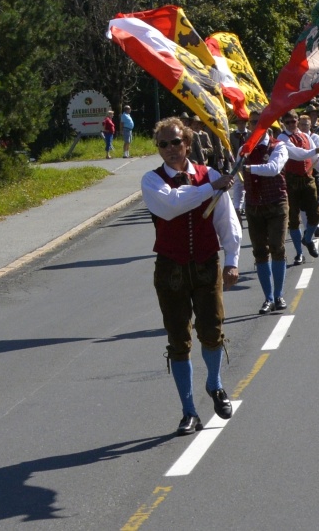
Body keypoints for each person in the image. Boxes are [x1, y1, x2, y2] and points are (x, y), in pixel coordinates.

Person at [141, 116, 241, 435]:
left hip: (205, 262)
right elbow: (172, 206)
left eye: (175, 142)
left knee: (212, 330)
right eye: (163, 144)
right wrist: (210, 187)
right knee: (178, 339)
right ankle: (189, 411)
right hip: (170, 267)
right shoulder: (151, 180)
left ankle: (215, 384)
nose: (170, 149)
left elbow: (227, 220)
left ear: (187, 142)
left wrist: (232, 259)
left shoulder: (209, 174)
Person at [243, 110, 290, 314]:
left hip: (276, 203)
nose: (255, 125)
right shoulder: (244, 149)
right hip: (253, 205)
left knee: (277, 247)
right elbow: (239, 179)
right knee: (260, 252)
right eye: (252, 122)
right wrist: (237, 205)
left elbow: (273, 168)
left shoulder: (278, 146)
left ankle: (279, 295)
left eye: (259, 122)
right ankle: (268, 298)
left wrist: (249, 168)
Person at [277, 110, 319, 264]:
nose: (292, 124)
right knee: (293, 219)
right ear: (283, 123)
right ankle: (299, 254)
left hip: (308, 179)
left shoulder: (306, 136)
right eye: (288, 122)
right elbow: (296, 154)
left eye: (294, 121)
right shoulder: (281, 138)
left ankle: (307, 239)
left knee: (316, 213)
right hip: (291, 181)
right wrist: (316, 150)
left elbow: (317, 159)